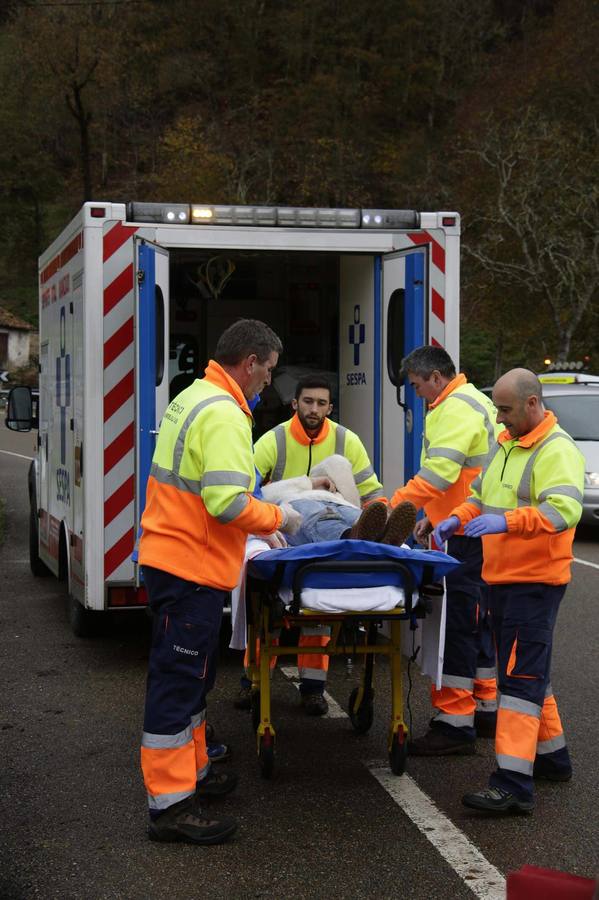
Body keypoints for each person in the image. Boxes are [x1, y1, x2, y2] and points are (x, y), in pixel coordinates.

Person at [137, 319, 303, 845]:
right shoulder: (226, 415)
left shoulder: (194, 395)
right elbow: (227, 502)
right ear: (250, 362)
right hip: (190, 568)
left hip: (178, 560)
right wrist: (279, 520)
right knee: (178, 683)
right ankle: (171, 806)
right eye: (268, 371)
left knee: (195, 680)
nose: (268, 384)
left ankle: (195, 774)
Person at [433, 368, 584, 814]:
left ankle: (513, 786)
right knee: (528, 669)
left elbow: (564, 510)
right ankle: (553, 758)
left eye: (505, 409)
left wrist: (509, 522)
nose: (499, 419)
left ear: (533, 403)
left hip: (533, 582)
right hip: (505, 580)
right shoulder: (508, 444)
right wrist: (456, 517)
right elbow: (481, 494)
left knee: (519, 681)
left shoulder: (556, 449)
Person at [243, 374, 388, 715]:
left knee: (319, 614)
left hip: (333, 511)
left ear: (330, 407)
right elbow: (247, 485)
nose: (314, 409)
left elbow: (370, 491)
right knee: (265, 617)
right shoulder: (274, 440)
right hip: (289, 516)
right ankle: (252, 679)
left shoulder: (344, 440)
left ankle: (313, 688)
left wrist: (377, 510)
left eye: (322, 403)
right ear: (294, 404)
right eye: (308, 402)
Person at [388, 345, 500, 755]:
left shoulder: (454, 408)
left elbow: (439, 474)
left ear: (435, 377)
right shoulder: (475, 402)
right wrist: (434, 517)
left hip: (466, 533)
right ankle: (485, 706)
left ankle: (455, 721)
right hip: (472, 526)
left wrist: (392, 507)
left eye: (417, 385)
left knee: (456, 623)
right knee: (477, 618)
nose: (417, 393)